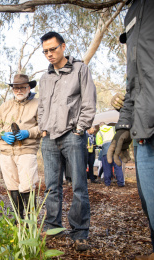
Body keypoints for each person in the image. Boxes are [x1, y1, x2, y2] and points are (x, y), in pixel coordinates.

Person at [38, 31, 96, 251]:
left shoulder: (80, 69)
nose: (49, 54)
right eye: (45, 51)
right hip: (49, 139)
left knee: (79, 185)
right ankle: (53, 227)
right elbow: (42, 106)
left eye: (53, 49)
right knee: (52, 187)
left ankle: (80, 232)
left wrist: (80, 129)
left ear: (63, 46)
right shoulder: (45, 78)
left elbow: (89, 102)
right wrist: (43, 128)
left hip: (72, 135)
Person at [108, 1, 154, 256]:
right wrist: (124, 124)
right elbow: (134, 84)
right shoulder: (132, 12)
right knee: (150, 208)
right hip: (144, 134)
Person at [0, 74, 41, 219]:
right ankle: (18, 219)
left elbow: (44, 126)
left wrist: (29, 133)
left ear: (29, 87)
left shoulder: (38, 104)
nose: (19, 90)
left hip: (27, 149)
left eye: (22, 87)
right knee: (12, 185)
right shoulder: (6, 105)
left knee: (27, 185)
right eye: (16, 88)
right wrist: (2, 134)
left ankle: (30, 221)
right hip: (7, 151)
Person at [96, 122, 124, 187]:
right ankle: (121, 183)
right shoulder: (113, 128)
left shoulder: (99, 133)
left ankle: (107, 183)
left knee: (107, 168)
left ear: (100, 127)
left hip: (106, 152)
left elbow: (99, 144)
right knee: (118, 167)